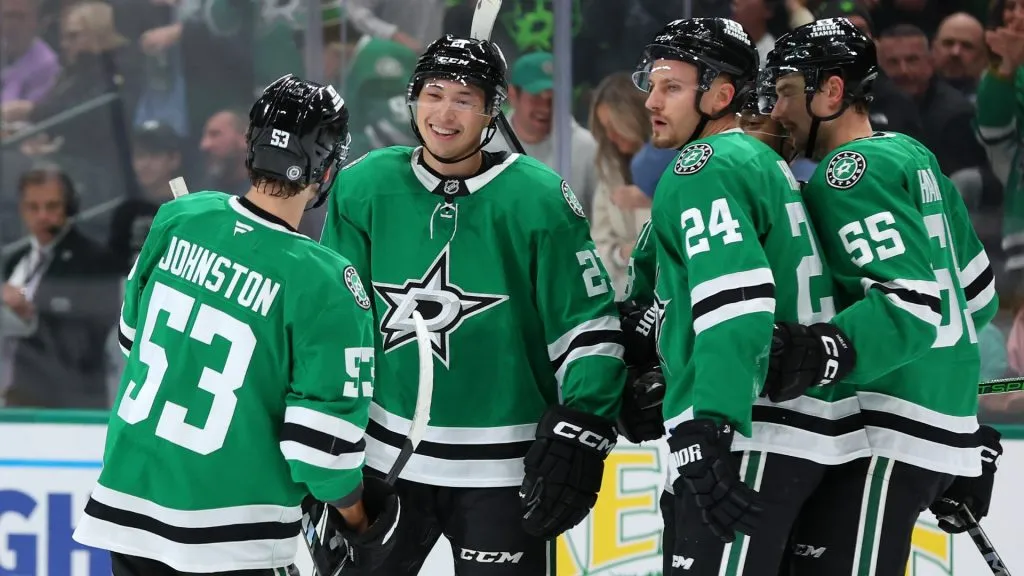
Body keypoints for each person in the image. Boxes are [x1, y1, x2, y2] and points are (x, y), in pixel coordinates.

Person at [319, 34, 626, 575]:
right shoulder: (364, 186)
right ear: (413, 100)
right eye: (434, 94)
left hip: (503, 470)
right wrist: (322, 445)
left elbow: (588, 327)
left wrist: (584, 429)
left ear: (491, 113)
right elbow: (331, 324)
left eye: (465, 98)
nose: (444, 113)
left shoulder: (538, 198)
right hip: (384, 464)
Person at [71, 74, 399, 576]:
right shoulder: (327, 281)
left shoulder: (180, 216)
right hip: (233, 531)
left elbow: (131, 338)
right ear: (327, 168)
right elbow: (320, 450)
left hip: (128, 508)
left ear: (252, 146)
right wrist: (357, 519)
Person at [620, 17, 870, 576]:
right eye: (652, 85)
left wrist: (710, 420)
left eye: (673, 87)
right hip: (809, 435)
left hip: (750, 432)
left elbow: (735, 299)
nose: (652, 101)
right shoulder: (763, 165)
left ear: (721, 94)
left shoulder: (703, 168)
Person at [761, 18, 1002, 574]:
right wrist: (957, 425)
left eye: (788, 92)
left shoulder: (847, 173)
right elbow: (978, 298)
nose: (776, 111)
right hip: (939, 418)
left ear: (833, 91)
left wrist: (820, 349)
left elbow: (910, 302)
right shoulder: (912, 156)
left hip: (889, 427)